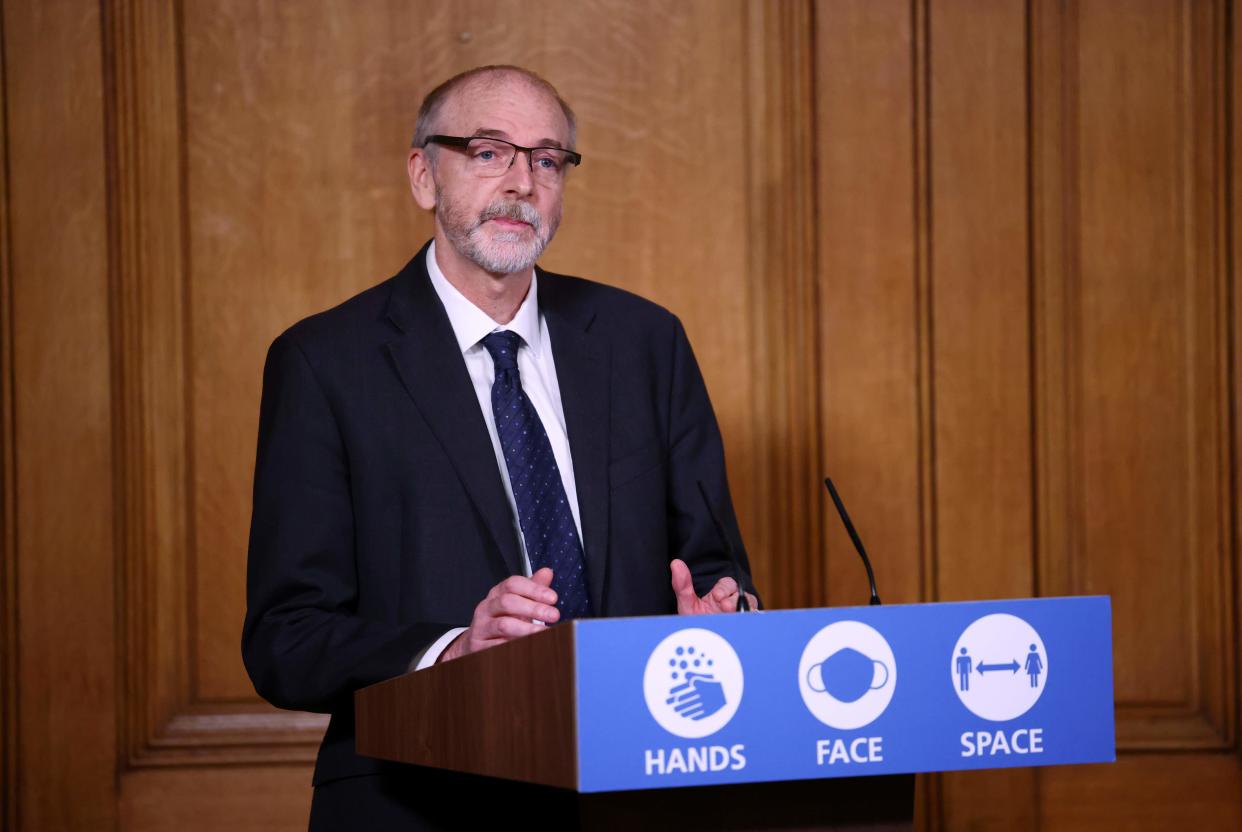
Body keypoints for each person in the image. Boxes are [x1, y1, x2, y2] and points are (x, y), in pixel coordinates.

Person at [242, 65, 758, 830]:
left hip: (639, 787)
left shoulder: (645, 342)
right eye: (489, 152)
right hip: (421, 799)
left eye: (546, 160)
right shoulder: (326, 363)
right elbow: (286, 639)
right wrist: (452, 652)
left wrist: (722, 612)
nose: (521, 182)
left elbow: (713, 566)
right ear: (424, 175)